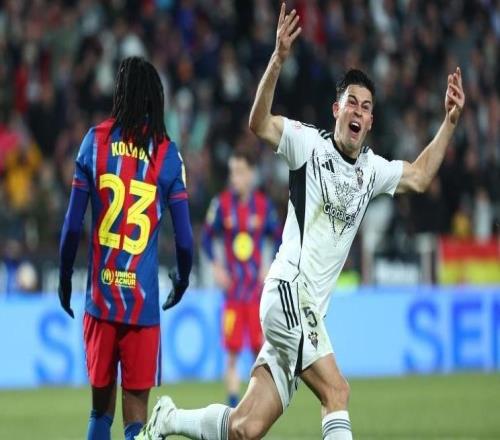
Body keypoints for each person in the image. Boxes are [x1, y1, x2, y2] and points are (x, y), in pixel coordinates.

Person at [137, 3, 465, 440]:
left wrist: (449, 122)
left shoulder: (372, 170)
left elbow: (420, 177)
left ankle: (169, 420)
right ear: (336, 109)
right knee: (337, 392)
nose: (358, 112)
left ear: (370, 121)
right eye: (352, 102)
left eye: (366, 107)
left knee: (246, 428)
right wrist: (277, 59)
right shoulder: (309, 145)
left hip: (307, 311)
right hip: (288, 292)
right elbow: (258, 123)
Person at [58, 56, 193, 440]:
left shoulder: (95, 142)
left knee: (99, 413)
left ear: (120, 93)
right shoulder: (167, 154)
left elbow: (72, 227)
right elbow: (185, 239)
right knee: (136, 422)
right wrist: (182, 279)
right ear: (155, 98)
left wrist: (65, 277)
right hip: (142, 305)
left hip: (100, 301)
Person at [201, 147, 281, 408]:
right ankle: (235, 407)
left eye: (240, 172)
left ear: (251, 174)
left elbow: (279, 238)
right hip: (233, 292)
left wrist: (270, 265)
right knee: (233, 353)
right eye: (232, 172)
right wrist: (216, 267)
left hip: (257, 294)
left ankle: (258, 406)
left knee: (260, 352)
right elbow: (205, 238)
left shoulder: (263, 206)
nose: (235, 177)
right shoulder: (222, 204)